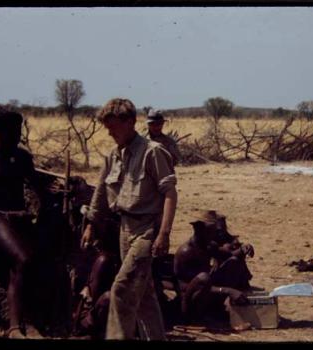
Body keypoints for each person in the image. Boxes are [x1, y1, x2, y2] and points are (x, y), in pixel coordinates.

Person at [80, 98, 177, 340]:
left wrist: (164, 234)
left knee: (122, 289)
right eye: (108, 127)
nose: (110, 133)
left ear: (131, 122)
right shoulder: (113, 156)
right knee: (143, 295)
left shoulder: (153, 152)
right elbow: (101, 193)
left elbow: (170, 194)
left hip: (146, 230)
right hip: (124, 230)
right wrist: (91, 225)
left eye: (114, 127)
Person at [0, 111, 47, 338]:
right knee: (22, 259)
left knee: (37, 261)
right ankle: (14, 327)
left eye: (18, 132)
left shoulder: (23, 158)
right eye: (11, 132)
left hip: (18, 219)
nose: (16, 136)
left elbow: (38, 185)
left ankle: (31, 322)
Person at [174, 210, 253, 323]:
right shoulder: (186, 252)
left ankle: (215, 310)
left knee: (234, 263)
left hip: (206, 291)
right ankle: (198, 317)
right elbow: (185, 286)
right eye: (212, 232)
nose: (215, 236)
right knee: (204, 278)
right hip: (188, 302)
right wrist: (227, 290)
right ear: (200, 230)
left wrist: (244, 249)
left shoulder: (208, 245)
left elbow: (229, 255)